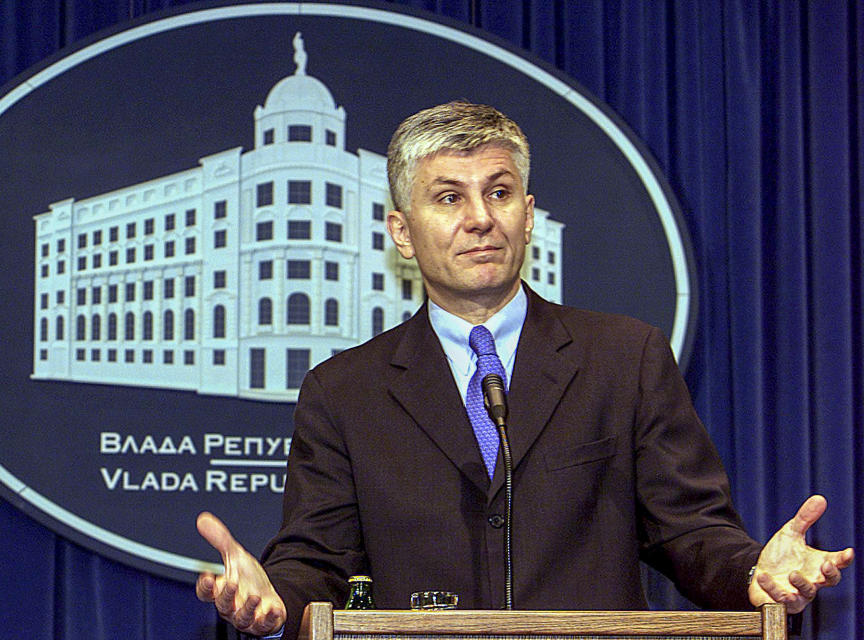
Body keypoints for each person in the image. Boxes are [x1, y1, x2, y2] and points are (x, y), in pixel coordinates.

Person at [196, 101, 853, 638]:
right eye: (449, 197)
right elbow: (317, 559)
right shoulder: (344, 392)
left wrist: (753, 575)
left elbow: (692, 529)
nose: (480, 218)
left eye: (499, 192)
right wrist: (272, 600)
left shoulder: (624, 360)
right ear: (401, 231)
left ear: (529, 214)